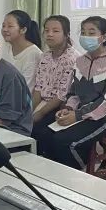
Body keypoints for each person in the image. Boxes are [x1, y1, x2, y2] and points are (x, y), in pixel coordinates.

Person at [39, 16, 106, 169]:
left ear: (104, 37)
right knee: (44, 135)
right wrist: (68, 109)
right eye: (83, 32)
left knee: (63, 142)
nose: (86, 36)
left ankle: (75, 175)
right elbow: (74, 92)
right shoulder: (80, 61)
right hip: (82, 115)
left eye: (91, 33)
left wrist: (77, 116)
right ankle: (56, 174)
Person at [31, 15, 79, 149]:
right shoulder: (45, 56)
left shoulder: (72, 58)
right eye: (46, 31)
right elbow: (38, 88)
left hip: (60, 107)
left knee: (39, 132)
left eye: (55, 31)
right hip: (43, 103)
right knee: (22, 124)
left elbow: (61, 95)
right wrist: (30, 110)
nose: (50, 34)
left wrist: (39, 114)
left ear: (66, 34)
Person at [0, 9, 43, 91]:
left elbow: (26, 88)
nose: (5, 29)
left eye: (10, 26)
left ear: (23, 30)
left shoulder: (34, 54)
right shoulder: (6, 47)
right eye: (3, 26)